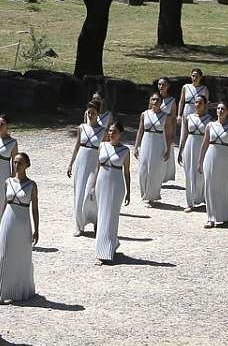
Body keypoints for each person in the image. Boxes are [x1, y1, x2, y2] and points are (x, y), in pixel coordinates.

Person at [0, 153, 39, 305]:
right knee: (4, 254)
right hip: (8, 220)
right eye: (15, 162)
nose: (17, 165)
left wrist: (36, 229)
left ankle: (20, 290)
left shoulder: (32, 185)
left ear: (27, 165)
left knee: (21, 256)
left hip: (23, 222)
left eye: (20, 163)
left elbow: (35, 209)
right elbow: (4, 204)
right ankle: (0, 292)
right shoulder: (8, 182)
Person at [88, 122, 131, 265]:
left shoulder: (125, 151)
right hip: (102, 183)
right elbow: (97, 167)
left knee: (111, 218)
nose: (111, 134)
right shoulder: (103, 146)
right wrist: (92, 186)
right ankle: (105, 248)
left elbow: (126, 172)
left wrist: (128, 192)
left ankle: (106, 250)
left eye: (115, 132)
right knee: (102, 216)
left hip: (116, 186)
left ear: (120, 134)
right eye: (110, 131)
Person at [198, 102, 228, 228]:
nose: (220, 111)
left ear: (227, 112)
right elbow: (204, 144)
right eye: (218, 108)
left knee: (225, 186)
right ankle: (211, 217)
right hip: (211, 158)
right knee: (210, 186)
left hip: (225, 159)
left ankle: (225, 215)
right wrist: (200, 162)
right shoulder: (210, 126)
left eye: (223, 109)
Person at [67, 102, 105, 236]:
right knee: (79, 193)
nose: (90, 115)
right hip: (81, 162)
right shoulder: (82, 128)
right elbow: (77, 146)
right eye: (89, 112)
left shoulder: (102, 131)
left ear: (98, 114)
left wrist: (103, 168)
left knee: (92, 192)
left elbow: (105, 150)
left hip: (94, 163)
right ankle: (79, 225)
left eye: (93, 113)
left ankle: (95, 221)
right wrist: (71, 163)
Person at [134, 93, 173, 204]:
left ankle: (152, 195)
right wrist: (136, 146)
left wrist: (168, 150)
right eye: (153, 99)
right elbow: (140, 130)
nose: (155, 102)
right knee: (143, 169)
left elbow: (169, 134)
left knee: (155, 170)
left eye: (157, 100)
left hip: (159, 142)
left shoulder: (166, 117)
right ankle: (144, 193)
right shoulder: (144, 114)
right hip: (146, 141)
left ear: (161, 102)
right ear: (150, 101)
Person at [178, 94, 213, 212]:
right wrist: (181, 149)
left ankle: (204, 198)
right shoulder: (188, 117)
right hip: (190, 145)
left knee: (203, 174)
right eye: (196, 102)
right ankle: (190, 202)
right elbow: (185, 134)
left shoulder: (209, 120)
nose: (197, 105)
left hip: (202, 147)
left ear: (205, 105)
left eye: (200, 103)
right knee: (189, 174)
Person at [157, 77, 177, 182]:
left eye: (163, 85)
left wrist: (173, 133)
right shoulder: (155, 99)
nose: (161, 87)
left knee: (165, 151)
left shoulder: (172, 101)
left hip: (166, 130)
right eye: (159, 84)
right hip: (156, 129)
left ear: (168, 86)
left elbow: (173, 119)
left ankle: (164, 175)